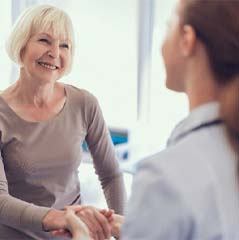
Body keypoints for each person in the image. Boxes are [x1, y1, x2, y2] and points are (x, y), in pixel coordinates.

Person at [0, 4, 126, 240]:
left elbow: (111, 175)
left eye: (64, 45)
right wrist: (59, 218)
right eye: (44, 40)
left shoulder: (84, 103)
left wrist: (122, 231)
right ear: (22, 44)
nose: (55, 52)